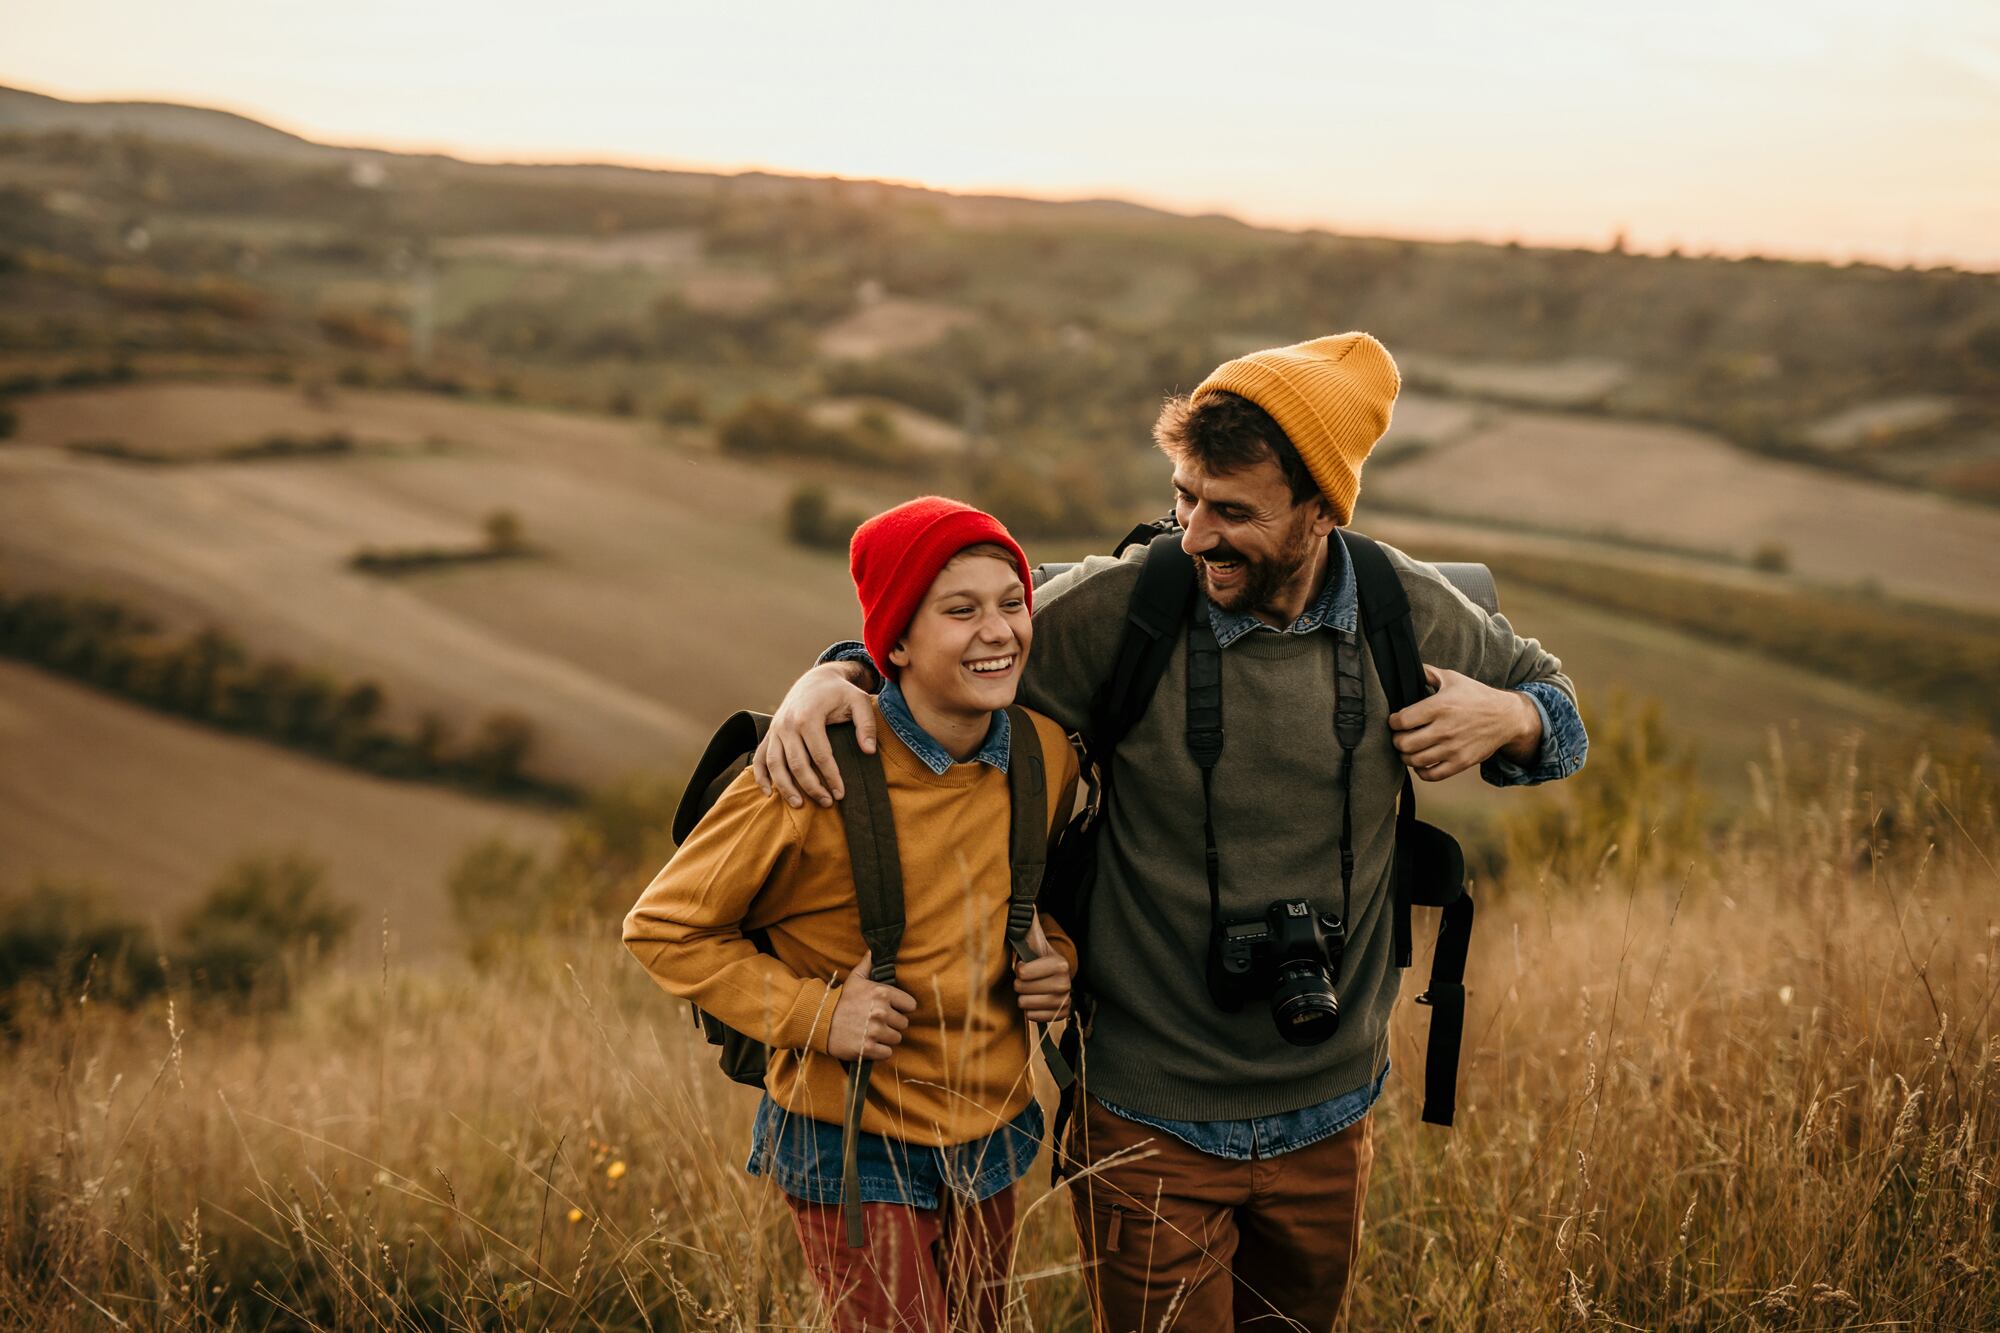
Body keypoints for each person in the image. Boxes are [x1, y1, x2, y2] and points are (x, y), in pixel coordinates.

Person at [752, 334, 1590, 1330]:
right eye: (1185, 497)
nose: (1193, 535)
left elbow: (1560, 710)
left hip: (1330, 1104)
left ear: (1321, 511)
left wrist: (1513, 716)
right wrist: (836, 672)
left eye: (1231, 511)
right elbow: (944, 655)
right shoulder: (1130, 607)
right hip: (1148, 1114)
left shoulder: (1397, 606)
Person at [623, 497, 1081, 1332]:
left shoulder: (1046, 755)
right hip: (852, 1139)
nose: (998, 630)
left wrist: (1056, 957)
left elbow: (1028, 890)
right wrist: (820, 1015)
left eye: (1012, 602)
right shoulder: (811, 770)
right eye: (960, 610)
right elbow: (662, 925)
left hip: (990, 1129)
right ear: (894, 642)